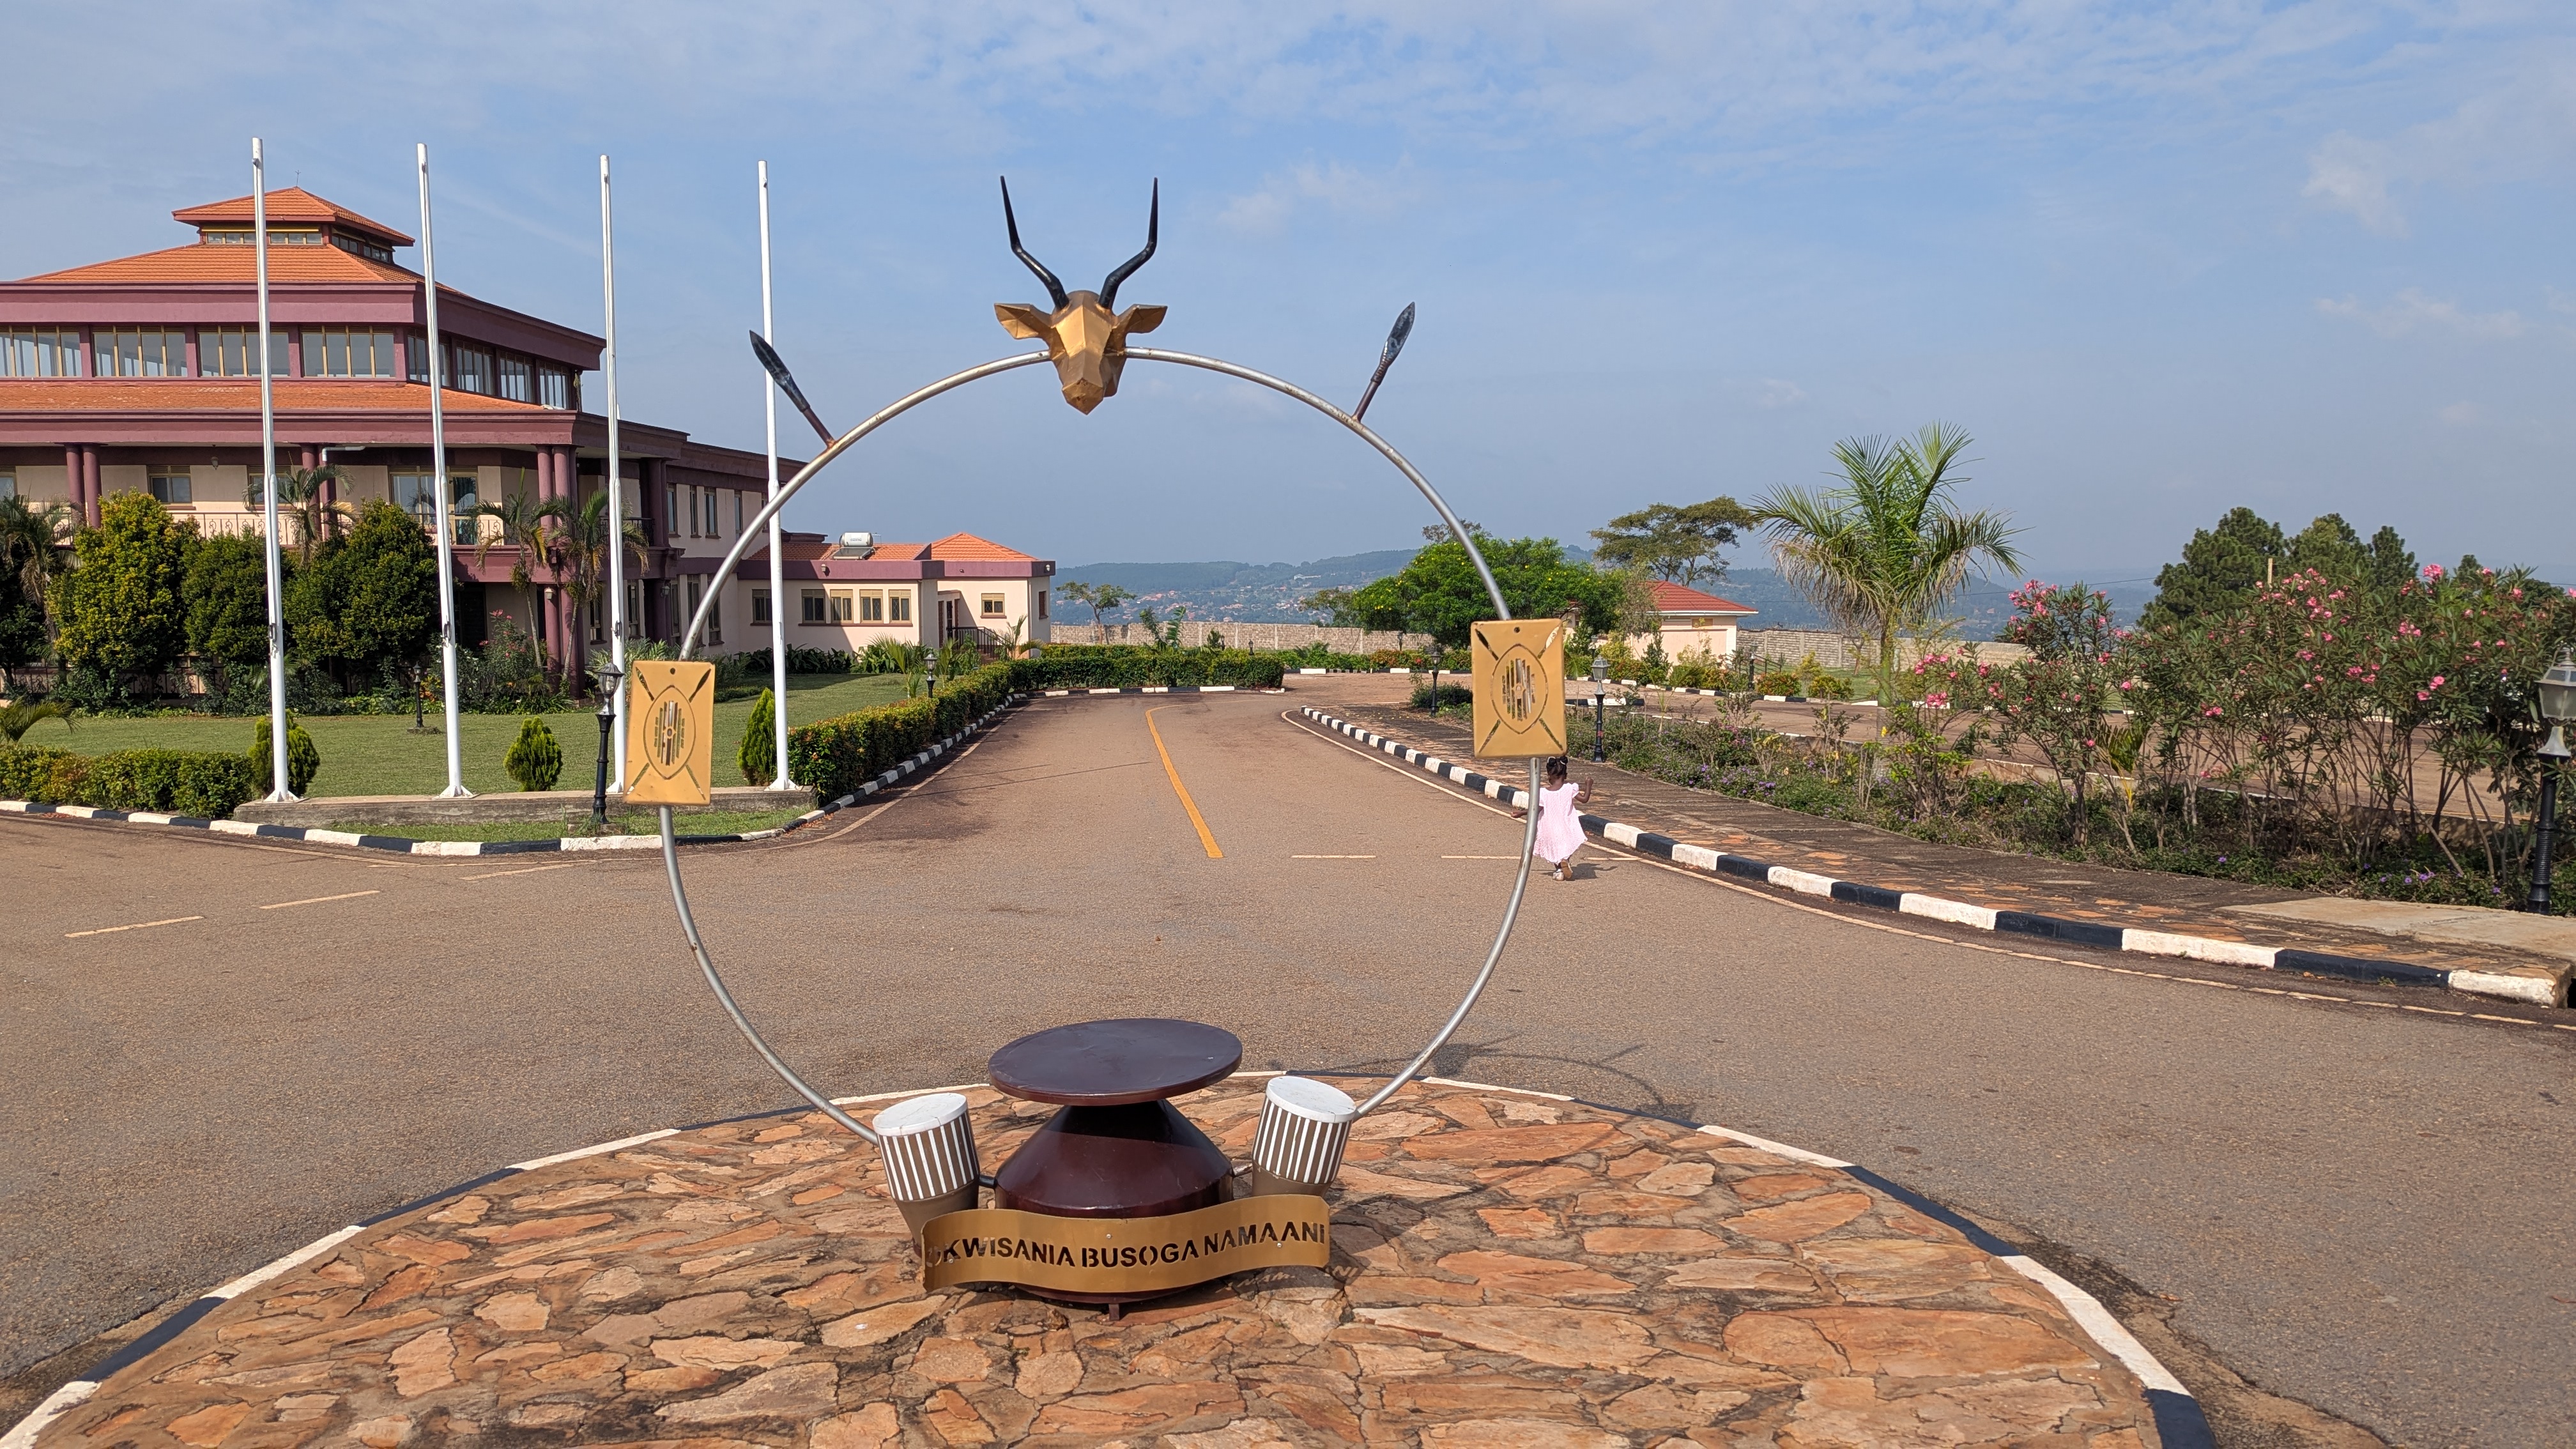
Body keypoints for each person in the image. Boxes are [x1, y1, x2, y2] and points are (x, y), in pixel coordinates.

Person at [1520, 755, 1593, 880]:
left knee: (1554, 848)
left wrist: (1521, 813)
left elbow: (1537, 809)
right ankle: (1565, 861)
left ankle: (1559, 870)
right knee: (1566, 846)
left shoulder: (1543, 792)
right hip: (1567, 825)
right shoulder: (1570, 788)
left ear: (1549, 776)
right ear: (1565, 775)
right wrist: (1589, 785)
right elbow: (1585, 799)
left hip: (1549, 827)